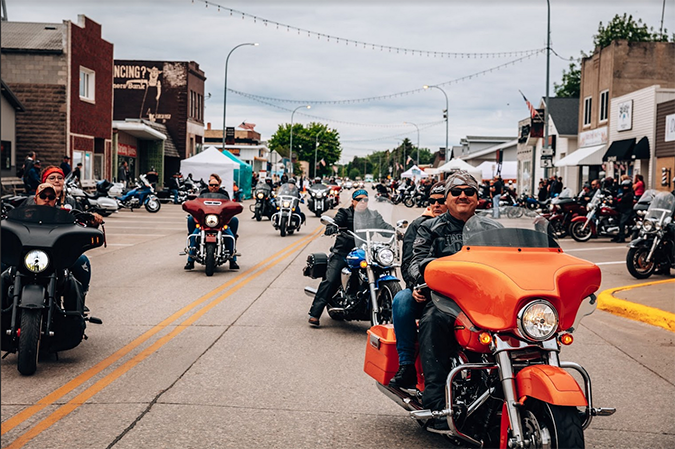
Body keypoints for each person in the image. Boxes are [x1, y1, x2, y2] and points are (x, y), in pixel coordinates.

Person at [409, 170, 480, 431]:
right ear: (447, 197)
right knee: (434, 322)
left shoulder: (492, 228)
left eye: (469, 191)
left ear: (478, 198)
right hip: (446, 300)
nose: (463, 195)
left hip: (487, 300)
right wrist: (426, 279)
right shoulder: (430, 227)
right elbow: (416, 261)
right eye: (456, 191)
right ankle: (436, 403)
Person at [388, 182, 448, 388]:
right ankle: (406, 365)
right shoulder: (418, 225)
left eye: (441, 201)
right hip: (427, 289)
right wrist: (417, 285)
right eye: (432, 201)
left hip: (458, 291)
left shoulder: (466, 225)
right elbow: (409, 263)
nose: (436, 205)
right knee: (401, 300)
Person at [307, 189, 392, 327]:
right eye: (359, 199)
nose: (362, 202)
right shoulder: (344, 213)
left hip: (365, 251)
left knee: (381, 269)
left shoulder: (373, 215)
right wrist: (332, 227)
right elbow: (336, 222)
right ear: (353, 201)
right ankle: (315, 313)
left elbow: (384, 227)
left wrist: (396, 232)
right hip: (343, 252)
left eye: (365, 199)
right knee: (331, 279)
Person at [184, 174, 240, 270]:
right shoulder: (203, 193)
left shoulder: (224, 194)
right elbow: (197, 204)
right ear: (208, 185)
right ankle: (190, 260)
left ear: (219, 185)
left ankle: (232, 260)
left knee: (231, 231)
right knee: (194, 234)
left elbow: (228, 205)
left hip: (220, 222)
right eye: (212, 185)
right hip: (204, 221)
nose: (214, 187)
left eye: (216, 185)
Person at [612, 179, 634, 243]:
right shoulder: (624, 193)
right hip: (621, 210)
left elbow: (622, 200)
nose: (625, 188)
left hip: (627, 211)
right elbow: (618, 197)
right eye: (624, 186)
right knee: (618, 222)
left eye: (626, 186)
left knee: (622, 223)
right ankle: (617, 236)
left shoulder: (629, 194)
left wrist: (614, 201)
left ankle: (622, 238)